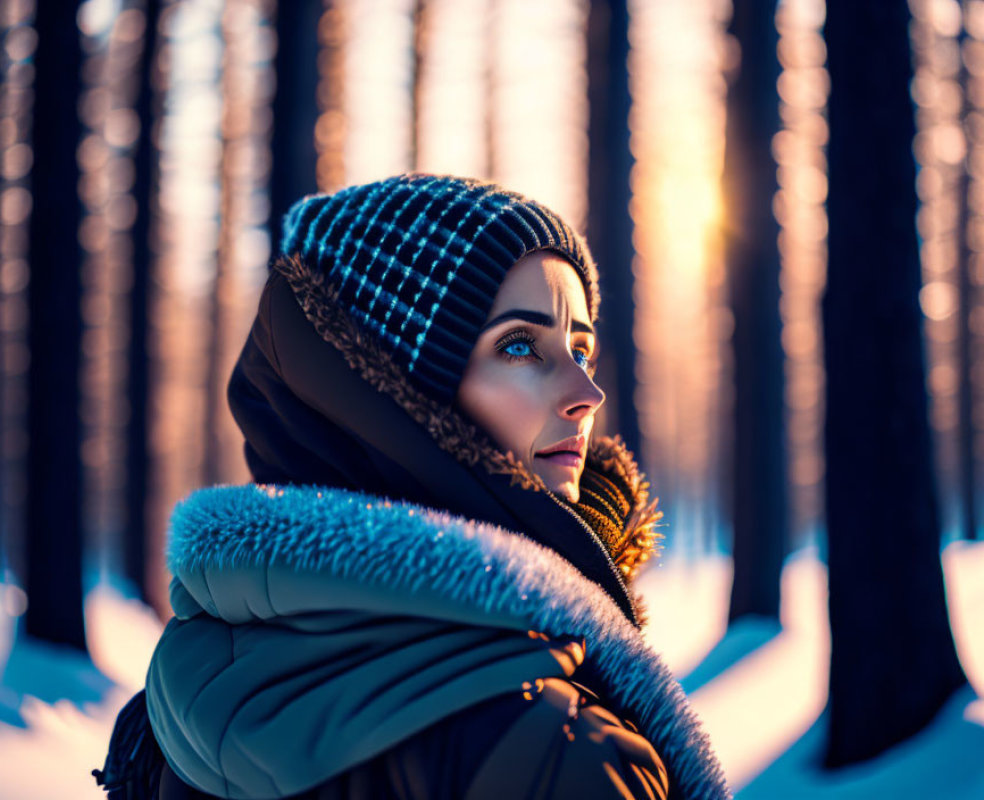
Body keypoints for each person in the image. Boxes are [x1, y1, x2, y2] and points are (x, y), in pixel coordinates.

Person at [93, 173, 730, 799]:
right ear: (388, 398)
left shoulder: (171, 707)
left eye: (581, 350)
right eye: (518, 347)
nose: (587, 395)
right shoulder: (555, 753)